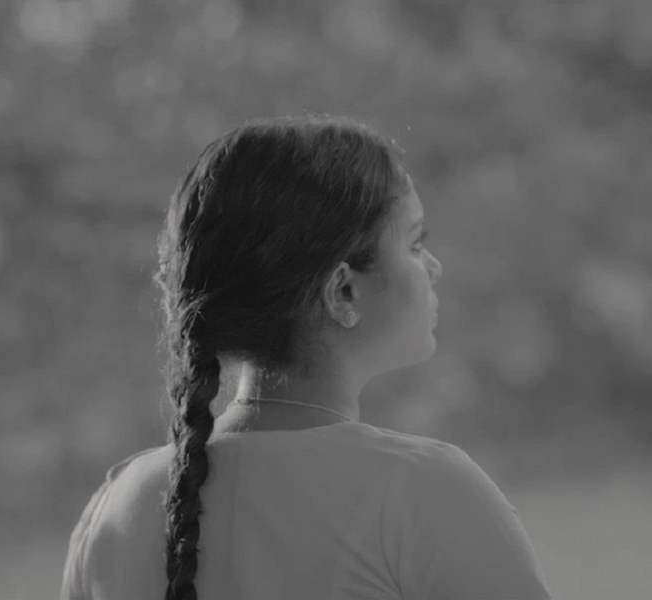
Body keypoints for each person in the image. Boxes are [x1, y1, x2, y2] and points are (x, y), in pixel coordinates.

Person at [59, 115, 554, 600]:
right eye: (415, 243)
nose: (435, 267)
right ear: (343, 290)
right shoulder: (420, 493)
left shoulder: (116, 508)